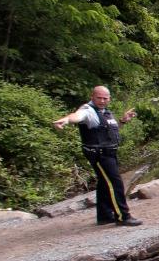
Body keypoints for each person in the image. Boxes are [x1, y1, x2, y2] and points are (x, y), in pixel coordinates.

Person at [53, 86, 142, 226]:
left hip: (109, 152)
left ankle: (104, 216)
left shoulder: (105, 112)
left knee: (104, 183)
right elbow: (77, 116)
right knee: (115, 183)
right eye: (98, 98)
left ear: (109, 99)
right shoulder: (88, 111)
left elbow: (108, 131)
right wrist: (66, 120)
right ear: (92, 97)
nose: (102, 101)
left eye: (105, 98)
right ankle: (123, 216)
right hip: (99, 154)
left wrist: (123, 121)